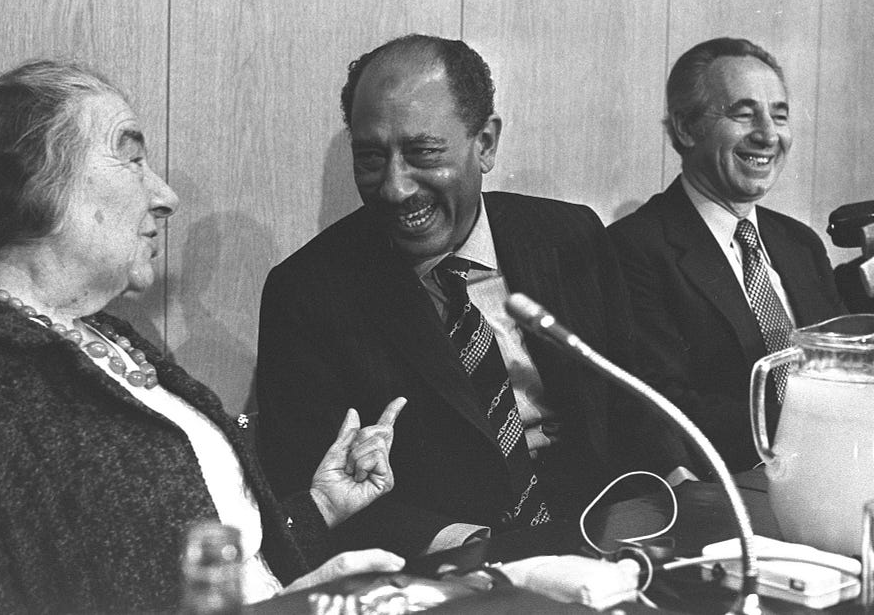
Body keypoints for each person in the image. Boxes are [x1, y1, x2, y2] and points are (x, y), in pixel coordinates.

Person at [0, 60, 407, 614]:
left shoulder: (110, 338)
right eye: (132, 157)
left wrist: (319, 507)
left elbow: (218, 563)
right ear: (35, 183)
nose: (165, 197)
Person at [255, 34, 648, 559]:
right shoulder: (307, 291)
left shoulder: (567, 234)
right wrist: (465, 549)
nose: (395, 188)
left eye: (423, 153)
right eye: (371, 158)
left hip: (607, 532)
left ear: (484, 144)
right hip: (457, 564)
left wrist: (669, 488)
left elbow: (634, 398)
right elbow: (306, 490)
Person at [607, 37, 845, 474]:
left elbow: (844, 367)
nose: (768, 135)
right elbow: (662, 402)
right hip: (730, 486)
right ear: (685, 128)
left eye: (779, 115)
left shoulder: (800, 243)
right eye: (743, 113)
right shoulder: (633, 248)